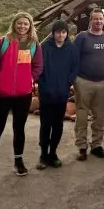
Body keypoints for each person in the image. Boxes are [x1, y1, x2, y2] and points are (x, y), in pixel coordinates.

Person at [0, 12, 43, 182]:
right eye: (20, 23)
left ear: (30, 26)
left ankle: (19, 161)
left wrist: (31, 78)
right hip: (2, 94)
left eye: (26, 24)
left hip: (23, 95)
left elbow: (38, 65)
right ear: (14, 24)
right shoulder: (3, 42)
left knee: (19, 129)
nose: (22, 27)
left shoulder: (32, 45)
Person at [73, 8, 104, 161]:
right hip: (83, 81)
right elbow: (73, 58)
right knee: (82, 115)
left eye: (101, 19)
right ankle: (82, 146)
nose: (98, 21)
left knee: (99, 116)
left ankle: (96, 145)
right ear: (90, 20)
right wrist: (74, 80)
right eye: (95, 19)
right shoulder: (82, 37)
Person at [36, 20, 79, 170]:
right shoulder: (44, 47)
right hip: (46, 92)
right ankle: (43, 155)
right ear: (53, 33)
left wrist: (68, 82)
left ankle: (53, 153)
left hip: (62, 93)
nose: (60, 35)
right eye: (57, 32)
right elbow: (38, 67)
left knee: (58, 124)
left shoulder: (71, 48)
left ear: (67, 33)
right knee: (45, 124)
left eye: (63, 32)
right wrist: (42, 84)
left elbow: (75, 68)